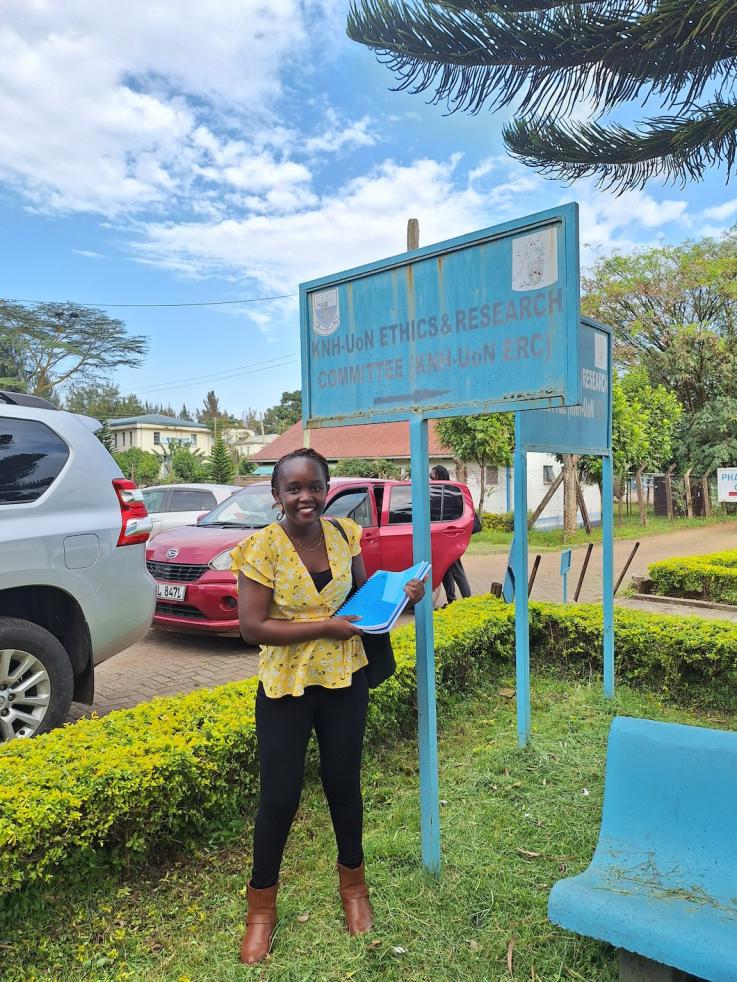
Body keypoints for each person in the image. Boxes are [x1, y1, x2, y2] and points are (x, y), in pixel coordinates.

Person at [231, 447, 425, 965]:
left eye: (314, 486)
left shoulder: (344, 535)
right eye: (293, 489)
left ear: (326, 489)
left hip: (345, 679)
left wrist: (403, 594)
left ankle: (354, 891)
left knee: (345, 787)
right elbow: (252, 629)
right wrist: (326, 627)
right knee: (279, 799)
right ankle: (260, 913)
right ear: (276, 496)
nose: (305, 498)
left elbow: (361, 596)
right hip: (286, 688)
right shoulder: (259, 549)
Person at [430, 464, 472, 604]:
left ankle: (468, 600)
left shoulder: (448, 491)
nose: (430, 479)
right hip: (441, 538)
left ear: (439, 476)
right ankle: (452, 601)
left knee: (456, 570)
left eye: (432, 476)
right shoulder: (441, 491)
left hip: (449, 538)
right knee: (444, 571)